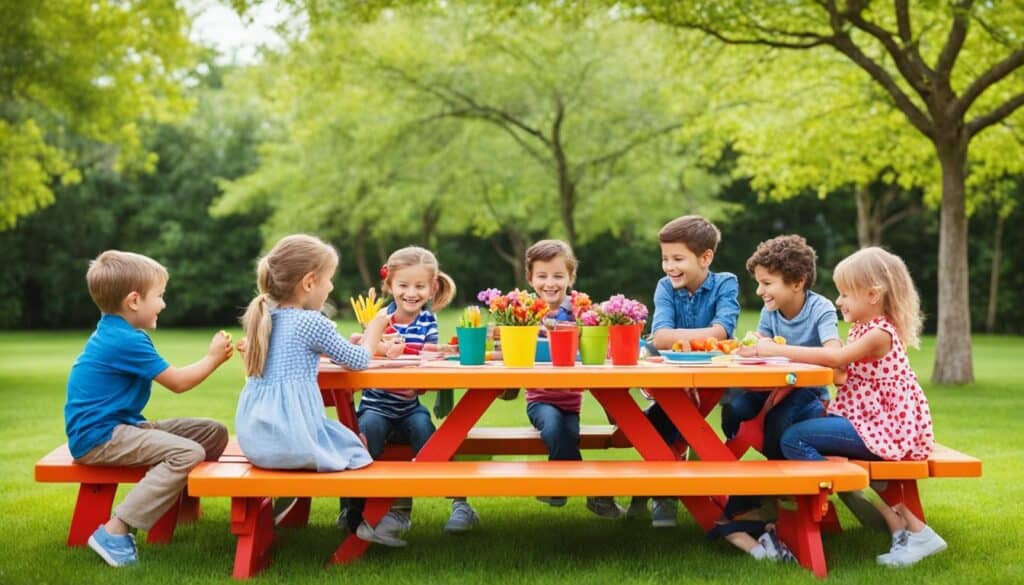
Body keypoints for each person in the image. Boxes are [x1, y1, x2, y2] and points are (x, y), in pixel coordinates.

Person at [740, 246, 945, 567]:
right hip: (871, 421)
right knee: (798, 436)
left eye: (845, 294)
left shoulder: (879, 332)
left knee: (795, 438)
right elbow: (840, 374)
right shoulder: (864, 328)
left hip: (885, 427)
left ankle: (901, 526)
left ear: (873, 294)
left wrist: (775, 349)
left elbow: (835, 359)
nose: (838, 301)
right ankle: (894, 522)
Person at [66, 250, 233, 567]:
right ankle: (115, 530)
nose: (164, 303)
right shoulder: (126, 340)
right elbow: (178, 383)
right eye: (160, 296)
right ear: (133, 301)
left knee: (212, 433)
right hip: (101, 437)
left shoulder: (121, 332)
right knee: (188, 453)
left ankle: (181, 512)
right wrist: (213, 358)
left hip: (123, 426)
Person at [234, 234, 385, 543]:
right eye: (328, 280)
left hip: (258, 441)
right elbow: (358, 361)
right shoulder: (310, 322)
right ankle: (361, 518)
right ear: (309, 282)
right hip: (292, 439)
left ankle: (293, 504)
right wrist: (374, 330)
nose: (330, 287)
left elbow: (307, 351)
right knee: (359, 442)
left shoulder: (266, 316)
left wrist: (347, 342)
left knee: (345, 437)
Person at [713, 235, 845, 560]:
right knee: (735, 406)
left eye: (767, 283)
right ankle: (743, 470)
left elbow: (834, 356)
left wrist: (777, 349)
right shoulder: (770, 310)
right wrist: (753, 347)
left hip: (807, 391)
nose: (760, 291)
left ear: (797, 282)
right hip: (774, 387)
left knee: (778, 425)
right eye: (759, 283)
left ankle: (776, 489)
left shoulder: (820, 309)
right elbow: (764, 350)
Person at [343, 246, 479, 545]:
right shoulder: (377, 319)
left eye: (419, 286)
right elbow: (363, 353)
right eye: (403, 285)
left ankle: (460, 502)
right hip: (376, 404)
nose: (411, 293)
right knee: (367, 434)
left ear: (431, 288)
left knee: (426, 431)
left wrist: (433, 357)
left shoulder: (428, 322)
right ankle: (355, 505)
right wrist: (379, 345)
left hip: (408, 405)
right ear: (389, 285)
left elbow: (425, 359)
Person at [630, 215, 740, 527]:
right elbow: (660, 335)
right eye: (665, 258)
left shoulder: (725, 283)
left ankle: (657, 491)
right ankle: (663, 495)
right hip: (670, 375)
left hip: (716, 377)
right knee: (668, 418)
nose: (669, 267)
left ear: (706, 258)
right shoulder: (665, 286)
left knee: (723, 418)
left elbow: (723, 330)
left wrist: (682, 339)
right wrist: (704, 338)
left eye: (678, 258)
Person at [524, 239, 623, 518]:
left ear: (570, 277)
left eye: (558, 276)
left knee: (567, 435)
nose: (550, 283)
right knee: (554, 428)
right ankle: (595, 492)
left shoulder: (581, 312)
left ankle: (556, 487)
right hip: (540, 399)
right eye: (542, 276)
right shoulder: (524, 313)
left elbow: (600, 349)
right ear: (530, 278)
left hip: (571, 401)